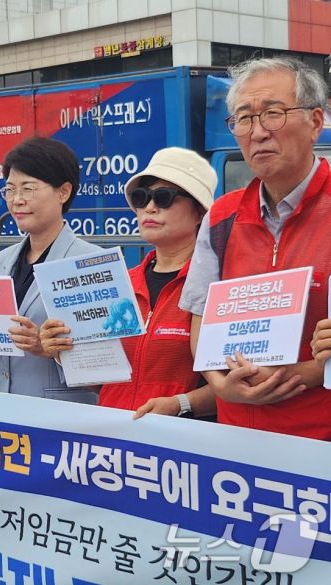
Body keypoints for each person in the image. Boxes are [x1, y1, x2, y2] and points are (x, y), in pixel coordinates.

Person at [179, 56, 331, 440]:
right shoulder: (222, 217)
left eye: (273, 114)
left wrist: (305, 373)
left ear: (315, 122)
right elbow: (201, 323)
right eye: (244, 119)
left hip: (319, 440)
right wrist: (219, 385)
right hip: (238, 443)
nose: (257, 132)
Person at [39, 147, 218, 418]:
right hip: (114, 435)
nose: (149, 207)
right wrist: (62, 352)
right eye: (141, 197)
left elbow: (234, 385)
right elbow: (105, 383)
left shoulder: (215, 284)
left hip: (182, 440)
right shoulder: (121, 282)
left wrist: (180, 404)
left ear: (200, 213)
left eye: (164, 197)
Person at [0, 136, 104, 399]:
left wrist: (48, 351)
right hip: (3, 407)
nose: (17, 200)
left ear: (63, 192)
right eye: (10, 190)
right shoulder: (0, 261)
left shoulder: (90, 263)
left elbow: (104, 366)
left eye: (28, 189)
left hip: (60, 413)